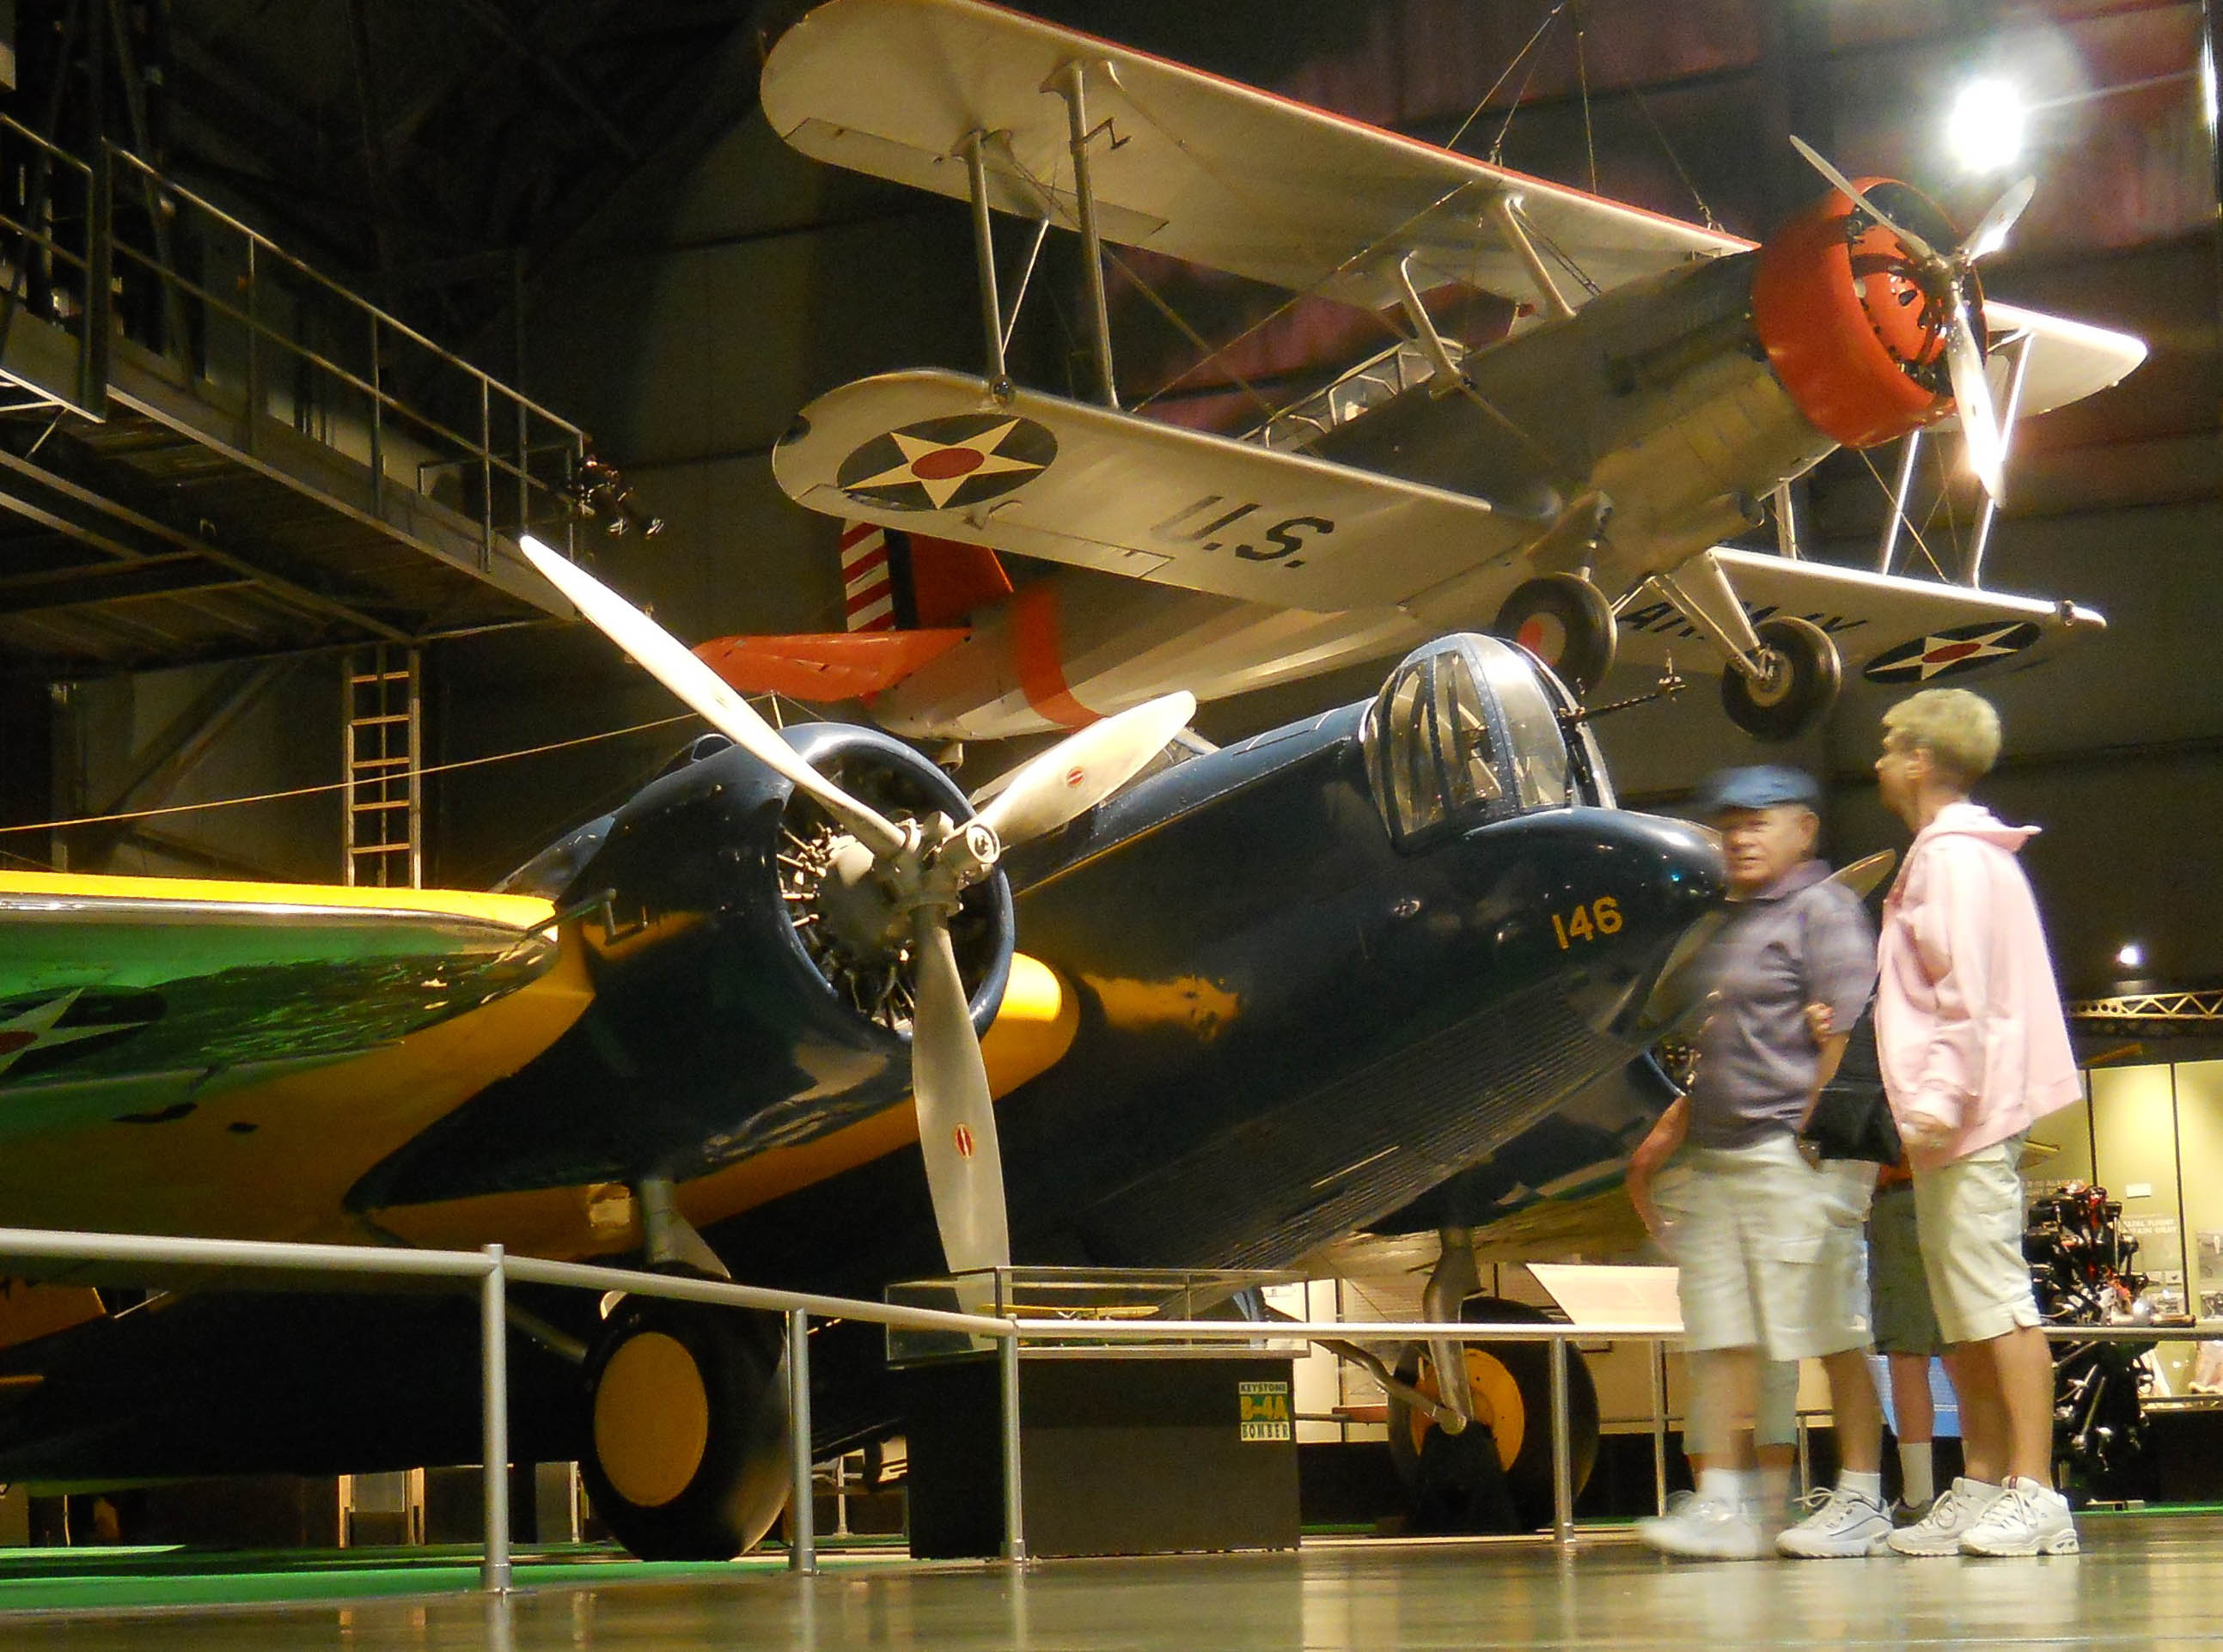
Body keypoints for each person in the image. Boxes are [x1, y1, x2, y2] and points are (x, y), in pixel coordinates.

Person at [1626, 765, 1891, 1560]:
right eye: (1730, 822)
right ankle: (1721, 1504)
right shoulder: (1729, 922)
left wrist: (1810, 1145)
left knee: (1830, 1329)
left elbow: (1847, 1034)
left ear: (1802, 829)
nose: (1739, 835)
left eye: (1760, 820)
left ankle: (1860, 1495)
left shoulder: (1825, 911)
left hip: (1790, 1153)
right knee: (1720, 1335)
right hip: (1721, 1158)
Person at [1871, 688, 2083, 1558]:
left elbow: (1965, 998)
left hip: (1960, 1115)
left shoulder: (1952, 860)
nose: (1878, 761)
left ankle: (2035, 1490)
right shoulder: (1956, 856)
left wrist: (1935, 1101)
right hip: (1954, 1120)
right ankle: (1989, 1479)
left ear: (1921, 759)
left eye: (1889, 747)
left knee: (1993, 1302)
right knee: (1963, 1310)